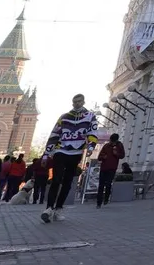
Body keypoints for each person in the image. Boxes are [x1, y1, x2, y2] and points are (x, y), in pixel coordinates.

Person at [40, 94, 98, 223]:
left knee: (67, 182)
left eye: (79, 101)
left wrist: (90, 147)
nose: (76, 104)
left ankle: (58, 208)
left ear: (83, 101)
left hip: (76, 152)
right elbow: (54, 134)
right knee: (56, 179)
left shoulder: (90, 116)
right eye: (74, 102)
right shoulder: (64, 117)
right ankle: (48, 208)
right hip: (60, 151)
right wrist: (46, 153)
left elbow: (93, 132)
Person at [94, 133, 126, 207]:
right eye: (111, 141)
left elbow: (122, 155)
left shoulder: (119, 146)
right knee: (101, 185)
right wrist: (103, 157)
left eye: (113, 142)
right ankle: (99, 203)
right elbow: (99, 157)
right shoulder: (106, 146)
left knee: (108, 184)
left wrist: (116, 154)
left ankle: (106, 198)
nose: (111, 143)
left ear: (116, 141)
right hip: (104, 168)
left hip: (112, 168)